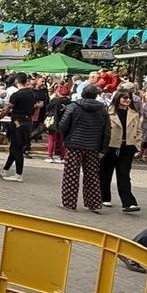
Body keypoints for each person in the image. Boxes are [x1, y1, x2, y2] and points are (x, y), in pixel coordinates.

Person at [58, 83, 109, 212]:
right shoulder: (102, 109)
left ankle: (69, 203)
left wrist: (66, 138)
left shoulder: (74, 106)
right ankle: (94, 203)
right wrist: (103, 149)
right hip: (93, 146)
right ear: (96, 95)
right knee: (92, 176)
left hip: (74, 144)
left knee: (71, 175)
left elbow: (63, 125)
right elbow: (107, 131)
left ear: (82, 93)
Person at [101, 88, 141, 212]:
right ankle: (104, 197)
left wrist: (137, 145)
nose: (127, 100)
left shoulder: (134, 114)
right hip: (111, 146)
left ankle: (128, 203)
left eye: (129, 98)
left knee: (124, 174)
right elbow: (102, 130)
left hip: (127, 146)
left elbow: (139, 131)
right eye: (124, 97)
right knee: (105, 173)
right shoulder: (108, 112)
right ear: (118, 98)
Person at [0, 72, 36, 182]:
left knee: (16, 148)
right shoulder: (31, 93)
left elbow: (7, 109)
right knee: (14, 147)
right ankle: (5, 169)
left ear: (16, 81)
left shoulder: (16, 95)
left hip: (17, 122)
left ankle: (18, 174)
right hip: (28, 122)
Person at [45, 84, 71, 163]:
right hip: (65, 123)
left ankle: (50, 156)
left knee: (51, 139)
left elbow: (47, 108)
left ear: (58, 92)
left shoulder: (55, 101)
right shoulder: (70, 102)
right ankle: (62, 157)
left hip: (54, 122)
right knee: (62, 140)